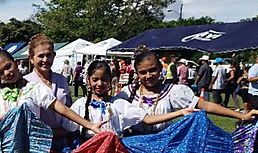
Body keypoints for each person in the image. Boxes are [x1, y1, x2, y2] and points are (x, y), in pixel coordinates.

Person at [116, 48, 258, 135]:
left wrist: (241, 115)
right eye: (143, 72)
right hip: (133, 150)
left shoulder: (173, 92)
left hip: (166, 149)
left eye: (152, 70)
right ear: (136, 73)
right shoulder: (126, 94)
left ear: (161, 69)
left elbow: (206, 106)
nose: (148, 76)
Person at [0, 48, 104, 135]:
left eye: (8, 66)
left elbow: (62, 109)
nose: (7, 73)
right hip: (3, 150)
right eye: (1, 72)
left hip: (31, 149)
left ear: (15, 63)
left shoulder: (34, 89)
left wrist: (90, 125)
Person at [68, 60, 196, 140]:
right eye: (95, 79)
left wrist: (180, 112)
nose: (100, 84)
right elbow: (67, 128)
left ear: (111, 80)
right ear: (88, 80)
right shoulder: (80, 105)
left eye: (104, 79)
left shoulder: (119, 104)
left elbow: (147, 119)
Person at [24, 34, 74, 139]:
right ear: (31, 59)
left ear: (54, 56)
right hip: (39, 140)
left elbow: (69, 106)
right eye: (41, 56)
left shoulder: (62, 80)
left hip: (63, 137)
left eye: (48, 55)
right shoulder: (26, 83)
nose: (45, 60)